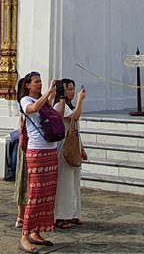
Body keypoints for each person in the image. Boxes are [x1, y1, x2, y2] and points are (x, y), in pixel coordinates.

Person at [18, 71, 60, 253]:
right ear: (27, 85)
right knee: (35, 194)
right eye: (36, 81)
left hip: (50, 149)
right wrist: (48, 93)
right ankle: (25, 235)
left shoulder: (44, 100)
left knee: (47, 194)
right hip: (36, 151)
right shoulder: (25, 101)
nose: (39, 84)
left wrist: (53, 95)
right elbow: (34, 109)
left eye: (41, 81)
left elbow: (51, 114)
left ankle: (37, 232)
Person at [55, 79, 87, 229]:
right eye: (69, 89)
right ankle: (61, 216)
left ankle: (74, 213)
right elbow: (74, 117)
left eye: (74, 89)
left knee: (74, 183)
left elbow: (75, 128)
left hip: (73, 147)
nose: (73, 92)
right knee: (64, 184)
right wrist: (81, 100)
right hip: (64, 148)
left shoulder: (70, 107)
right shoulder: (59, 106)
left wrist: (82, 148)